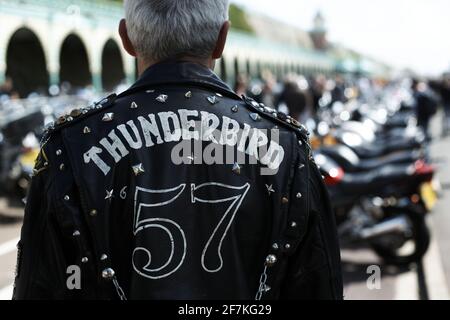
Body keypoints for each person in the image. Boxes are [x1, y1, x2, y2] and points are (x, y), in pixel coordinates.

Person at [13, 0, 342, 300]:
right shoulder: (288, 147)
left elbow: (39, 288)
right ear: (221, 39)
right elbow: (319, 286)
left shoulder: (69, 145)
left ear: (126, 38)